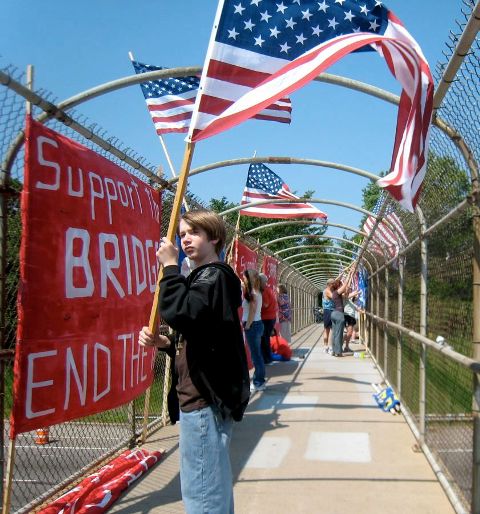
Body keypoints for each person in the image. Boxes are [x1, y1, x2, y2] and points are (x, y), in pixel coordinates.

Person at [138, 209, 250, 514]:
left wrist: (170, 267)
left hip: (203, 398)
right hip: (202, 394)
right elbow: (200, 331)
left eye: (194, 233)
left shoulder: (214, 275)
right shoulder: (208, 278)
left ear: (214, 238)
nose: (185, 239)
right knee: (212, 487)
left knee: (202, 493)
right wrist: (166, 343)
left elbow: (182, 311)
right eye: (183, 233)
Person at [242, 268, 266, 392]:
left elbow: (252, 309)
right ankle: (260, 381)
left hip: (252, 325)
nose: (243, 278)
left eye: (244, 276)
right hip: (257, 324)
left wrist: (247, 325)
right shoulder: (257, 291)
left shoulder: (252, 292)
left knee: (256, 356)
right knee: (257, 354)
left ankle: (259, 382)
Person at [330, 271, 355, 357]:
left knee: (334, 334)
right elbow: (345, 285)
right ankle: (338, 352)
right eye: (340, 284)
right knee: (339, 334)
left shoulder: (333, 293)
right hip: (339, 314)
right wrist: (349, 274)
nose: (341, 285)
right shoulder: (337, 292)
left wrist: (343, 275)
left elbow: (347, 296)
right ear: (337, 286)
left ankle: (333, 350)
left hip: (333, 314)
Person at [259, 273, 276, 365]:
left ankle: (267, 359)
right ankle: (267, 358)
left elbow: (265, 304)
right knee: (266, 338)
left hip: (266, 317)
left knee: (264, 339)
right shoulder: (269, 289)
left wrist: (256, 304)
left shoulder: (264, 291)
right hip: (271, 316)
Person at [322, 279, 335, 353]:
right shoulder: (327, 291)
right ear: (329, 284)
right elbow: (334, 297)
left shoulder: (328, 290)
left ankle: (327, 347)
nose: (334, 285)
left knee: (330, 330)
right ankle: (327, 347)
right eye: (333, 284)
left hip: (329, 311)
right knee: (328, 330)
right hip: (328, 311)